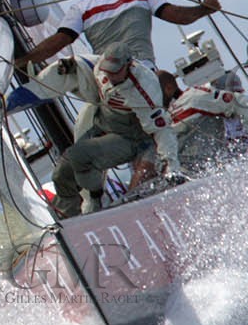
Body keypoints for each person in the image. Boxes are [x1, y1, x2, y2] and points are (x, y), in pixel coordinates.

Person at [19, 0, 222, 69]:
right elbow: (179, 17)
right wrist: (205, 9)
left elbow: (56, 44)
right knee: (167, 84)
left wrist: (21, 62)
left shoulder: (80, 7)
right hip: (142, 70)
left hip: (108, 78)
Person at [50, 43, 182, 218]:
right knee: (62, 173)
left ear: (129, 65)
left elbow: (162, 131)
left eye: (115, 71)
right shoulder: (100, 69)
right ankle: (66, 219)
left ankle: (111, 208)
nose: (110, 75)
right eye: (108, 70)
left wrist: (173, 167)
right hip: (103, 123)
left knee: (140, 172)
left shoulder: (144, 91)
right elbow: (86, 66)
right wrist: (70, 66)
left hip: (133, 139)